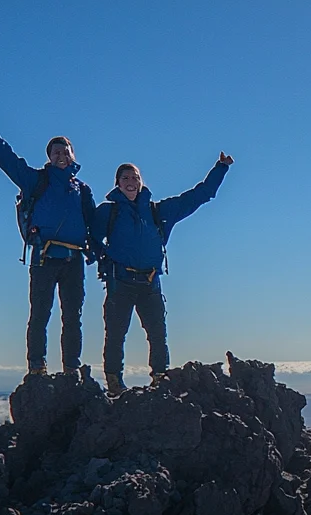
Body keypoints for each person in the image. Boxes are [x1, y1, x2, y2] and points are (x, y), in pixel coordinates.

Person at [0, 81, 96, 376]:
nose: (60, 154)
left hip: (74, 260)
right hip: (43, 256)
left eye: (64, 150)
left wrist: (103, 254)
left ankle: (71, 369)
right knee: (40, 314)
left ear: (73, 155)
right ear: (48, 157)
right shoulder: (34, 181)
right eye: (55, 151)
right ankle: (37, 366)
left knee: (73, 318)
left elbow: (95, 226)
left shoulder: (82, 190)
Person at [93, 153, 234, 395]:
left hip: (150, 282)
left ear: (141, 182)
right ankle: (114, 381)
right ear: (117, 183)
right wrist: (105, 258)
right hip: (120, 282)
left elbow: (198, 196)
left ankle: (160, 377)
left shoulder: (158, 212)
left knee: (157, 333)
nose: (130, 181)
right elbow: (91, 236)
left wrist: (220, 168)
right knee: (115, 334)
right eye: (125, 177)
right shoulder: (108, 212)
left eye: (135, 177)